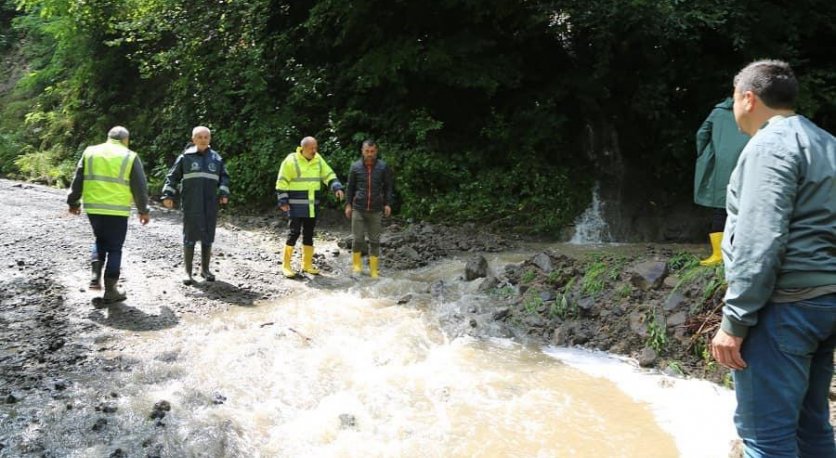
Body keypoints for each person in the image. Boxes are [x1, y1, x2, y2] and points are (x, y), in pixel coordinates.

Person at [710, 59, 836, 457]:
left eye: (733, 99)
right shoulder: (826, 142)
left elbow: (759, 239)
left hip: (784, 307)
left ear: (748, 99)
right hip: (825, 303)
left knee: (765, 436)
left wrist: (735, 320)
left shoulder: (770, 146)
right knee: (810, 425)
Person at [67, 126, 151, 303]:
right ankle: (111, 290)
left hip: (93, 207)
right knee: (114, 247)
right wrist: (143, 210)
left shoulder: (90, 152)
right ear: (126, 140)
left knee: (100, 240)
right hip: (117, 209)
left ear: (108, 137)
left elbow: (78, 178)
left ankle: (95, 277)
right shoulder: (129, 156)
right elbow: (140, 187)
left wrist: (73, 202)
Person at [162, 126, 230, 285]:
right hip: (191, 203)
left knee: (207, 234)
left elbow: (224, 178)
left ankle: (205, 270)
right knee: (190, 235)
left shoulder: (216, 159)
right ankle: (188, 272)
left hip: (210, 203)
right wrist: (167, 194)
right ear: (193, 140)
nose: (203, 139)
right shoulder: (185, 158)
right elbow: (172, 177)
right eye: (199, 137)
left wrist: (224, 193)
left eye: (206, 137)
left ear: (210, 139)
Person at [275, 136, 344, 278]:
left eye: (315, 147)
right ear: (303, 148)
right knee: (293, 233)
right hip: (294, 206)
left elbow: (329, 174)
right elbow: (282, 182)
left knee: (309, 234)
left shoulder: (318, 159)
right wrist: (283, 201)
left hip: (312, 206)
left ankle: (306, 265)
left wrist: (336, 187)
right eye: (312, 148)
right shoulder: (291, 160)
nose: (314, 150)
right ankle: (286, 265)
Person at [694, 97, 750, 266]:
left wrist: (706, 156)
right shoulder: (755, 112)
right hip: (749, 163)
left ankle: (718, 254)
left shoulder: (718, 112)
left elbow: (701, 135)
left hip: (722, 166)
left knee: (722, 208)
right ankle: (744, 254)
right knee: (749, 208)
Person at [344, 139, 394, 278]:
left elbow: (388, 187)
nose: (370, 154)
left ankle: (373, 270)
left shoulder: (383, 167)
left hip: (376, 209)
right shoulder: (355, 167)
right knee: (357, 239)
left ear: (376, 151)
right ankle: (356, 266)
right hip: (358, 208)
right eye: (367, 151)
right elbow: (350, 187)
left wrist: (388, 203)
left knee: (375, 240)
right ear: (362, 151)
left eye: (372, 151)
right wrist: (348, 205)